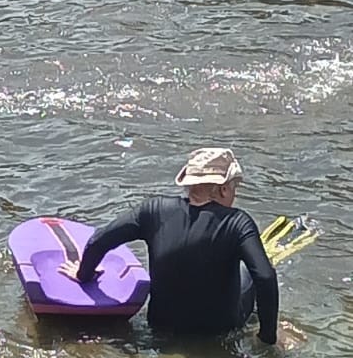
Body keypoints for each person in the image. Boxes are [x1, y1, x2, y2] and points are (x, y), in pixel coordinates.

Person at [66, 146, 278, 347]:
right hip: (219, 330)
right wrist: (267, 338)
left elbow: (98, 241)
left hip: (160, 325)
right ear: (223, 190)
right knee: (252, 271)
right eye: (234, 187)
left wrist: (83, 274)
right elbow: (265, 277)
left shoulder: (154, 210)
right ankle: (259, 326)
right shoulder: (238, 222)